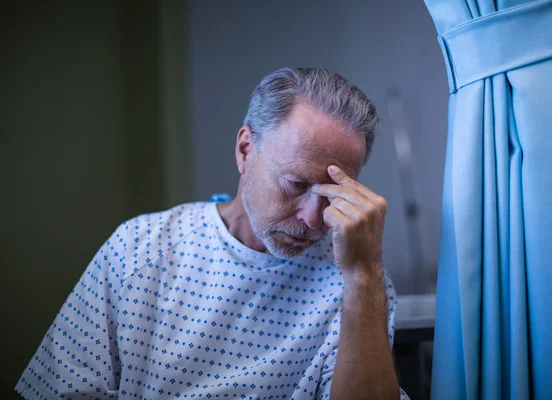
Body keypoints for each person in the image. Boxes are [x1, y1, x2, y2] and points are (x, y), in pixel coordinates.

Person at [16, 68, 409, 400]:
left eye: (331, 196)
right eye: (294, 183)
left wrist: (363, 277)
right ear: (244, 150)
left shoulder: (360, 283)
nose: (312, 219)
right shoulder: (140, 249)